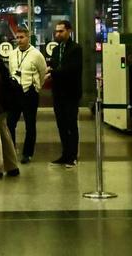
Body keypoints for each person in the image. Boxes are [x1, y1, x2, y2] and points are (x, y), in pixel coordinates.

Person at [5, 27, 46, 164]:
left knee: (30, 124)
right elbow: (11, 71)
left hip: (30, 92)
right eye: (17, 37)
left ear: (28, 38)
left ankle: (27, 154)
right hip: (14, 93)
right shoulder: (12, 54)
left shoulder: (36, 54)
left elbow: (43, 72)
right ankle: (11, 150)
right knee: (10, 123)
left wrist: (37, 87)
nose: (19, 40)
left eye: (22, 37)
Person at [47, 19, 83, 167]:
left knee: (71, 124)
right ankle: (65, 153)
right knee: (61, 125)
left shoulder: (76, 49)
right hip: (58, 93)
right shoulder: (56, 50)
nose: (58, 34)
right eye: (57, 31)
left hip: (71, 93)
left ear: (69, 31)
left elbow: (71, 69)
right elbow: (54, 66)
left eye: (61, 31)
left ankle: (72, 156)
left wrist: (53, 73)